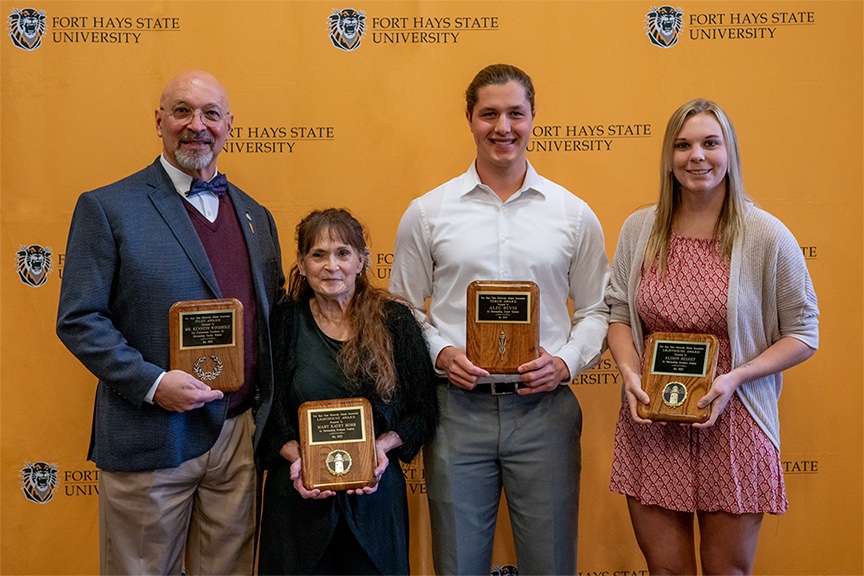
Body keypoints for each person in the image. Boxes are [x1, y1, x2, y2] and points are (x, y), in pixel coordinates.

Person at [56, 70, 286, 575]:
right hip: (152, 433)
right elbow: (79, 318)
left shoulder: (256, 216)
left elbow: (274, 325)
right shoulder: (108, 208)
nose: (196, 125)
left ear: (229, 125)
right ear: (158, 121)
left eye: (210, 114)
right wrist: (154, 384)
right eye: (182, 111)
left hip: (238, 438)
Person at [389, 64, 611, 575]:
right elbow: (401, 308)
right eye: (489, 114)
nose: (502, 127)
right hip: (455, 411)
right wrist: (441, 353)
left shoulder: (573, 214)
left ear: (534, 119)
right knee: (458, 564)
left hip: (545, 411)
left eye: (515, 113)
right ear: (469, 118)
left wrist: (566, 362)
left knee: (550, 563)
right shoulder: (428, 212)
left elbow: (600, 308)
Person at [606, 99, 819, 575]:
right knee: (666, 571)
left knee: (728, 573)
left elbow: (804, 332)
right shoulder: (639, 229)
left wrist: (736, 377)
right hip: (653, 424)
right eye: (682, 145)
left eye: (709, 143)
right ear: (669, 156)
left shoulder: (766, 234)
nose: (696, 156)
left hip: (736, 423)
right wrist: (629, 372)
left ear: (730, 152)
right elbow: (617, 312)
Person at [256, 208, 439, 575]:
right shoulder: (284, 323)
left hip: (374, 494)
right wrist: (299, 461)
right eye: (318, 255)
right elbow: (264, 411)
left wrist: (380, 448)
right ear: (302, 263)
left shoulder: (395, 321)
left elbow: (424, 411)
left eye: (342, 253)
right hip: (298, 497)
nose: (331, 266)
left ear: (361, 261)